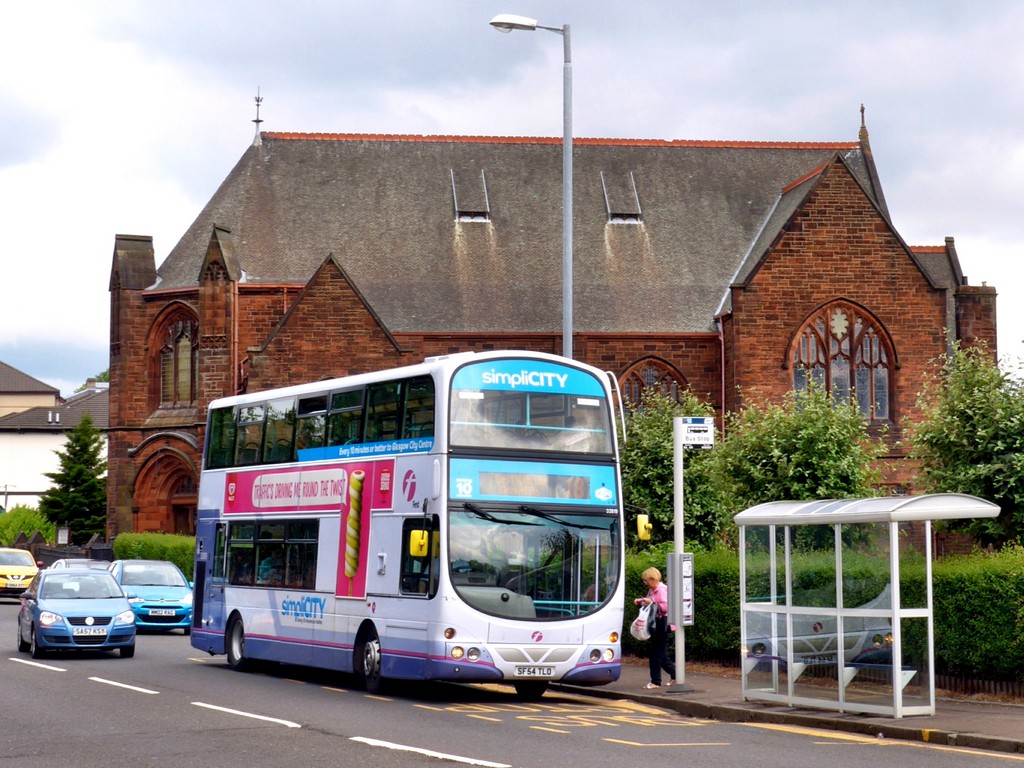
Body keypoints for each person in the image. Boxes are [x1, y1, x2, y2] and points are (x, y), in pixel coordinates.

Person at [635, 566, 676, 689]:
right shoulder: (653, 590)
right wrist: (641, 602)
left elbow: (665, 607)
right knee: (661, 654)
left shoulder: (662, 590)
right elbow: (649, 603)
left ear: (653, 579)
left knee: (655, 654)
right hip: (656, 622)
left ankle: (655, 681)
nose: (645, 584)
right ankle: (676, 675)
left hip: (662, 622)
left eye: (646, 581)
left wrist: (650, 602)